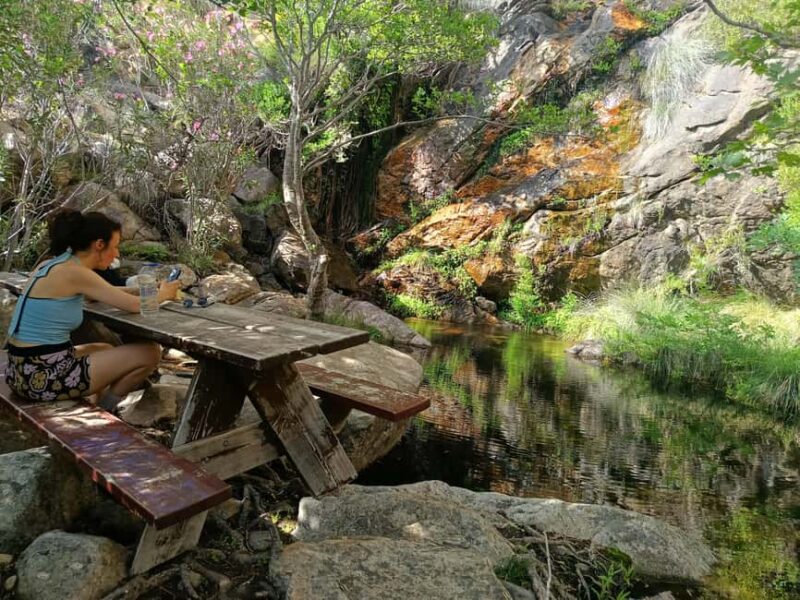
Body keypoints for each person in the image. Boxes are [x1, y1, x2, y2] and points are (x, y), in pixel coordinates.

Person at [4, 209, 181, 410]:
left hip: (19, 370)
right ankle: (108, 410)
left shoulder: (53, 265)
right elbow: (134, 306)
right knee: (149, 353)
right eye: (115, 246)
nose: (117, 253)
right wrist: (165, 294)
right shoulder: (76, 273)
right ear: (99, 244)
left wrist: (146, 289)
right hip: (41, 378)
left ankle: (96, 406)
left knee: (104, 349)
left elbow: (102, 292)